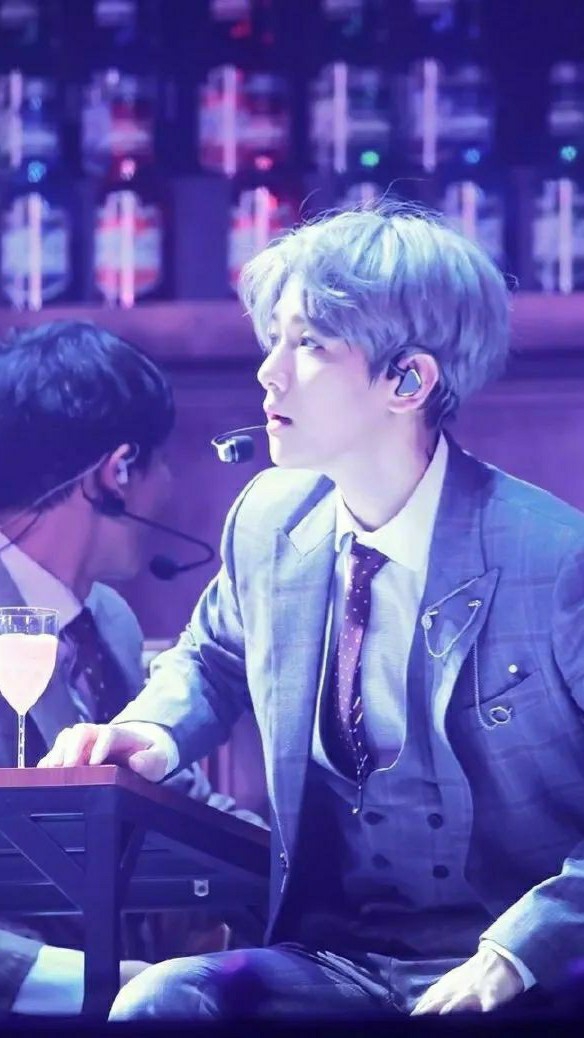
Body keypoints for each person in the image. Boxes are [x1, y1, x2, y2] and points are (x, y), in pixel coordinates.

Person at [41, 203, 584, 1021]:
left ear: (409, 381)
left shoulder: (555, 557)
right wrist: (151, 730)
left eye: (311, 345)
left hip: (531, 971)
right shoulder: (269, 519)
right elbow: (213, 657)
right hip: (342, 958)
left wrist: (520, 953)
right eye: (274, 339)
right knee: (162, 1002)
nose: (269, 372)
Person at [0, 321, 264, 1016]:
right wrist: (109, 983)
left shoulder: (108, 620)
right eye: (161, 462)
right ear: (117, 472)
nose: (169, 486)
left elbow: (175, 799)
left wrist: (313, 872)